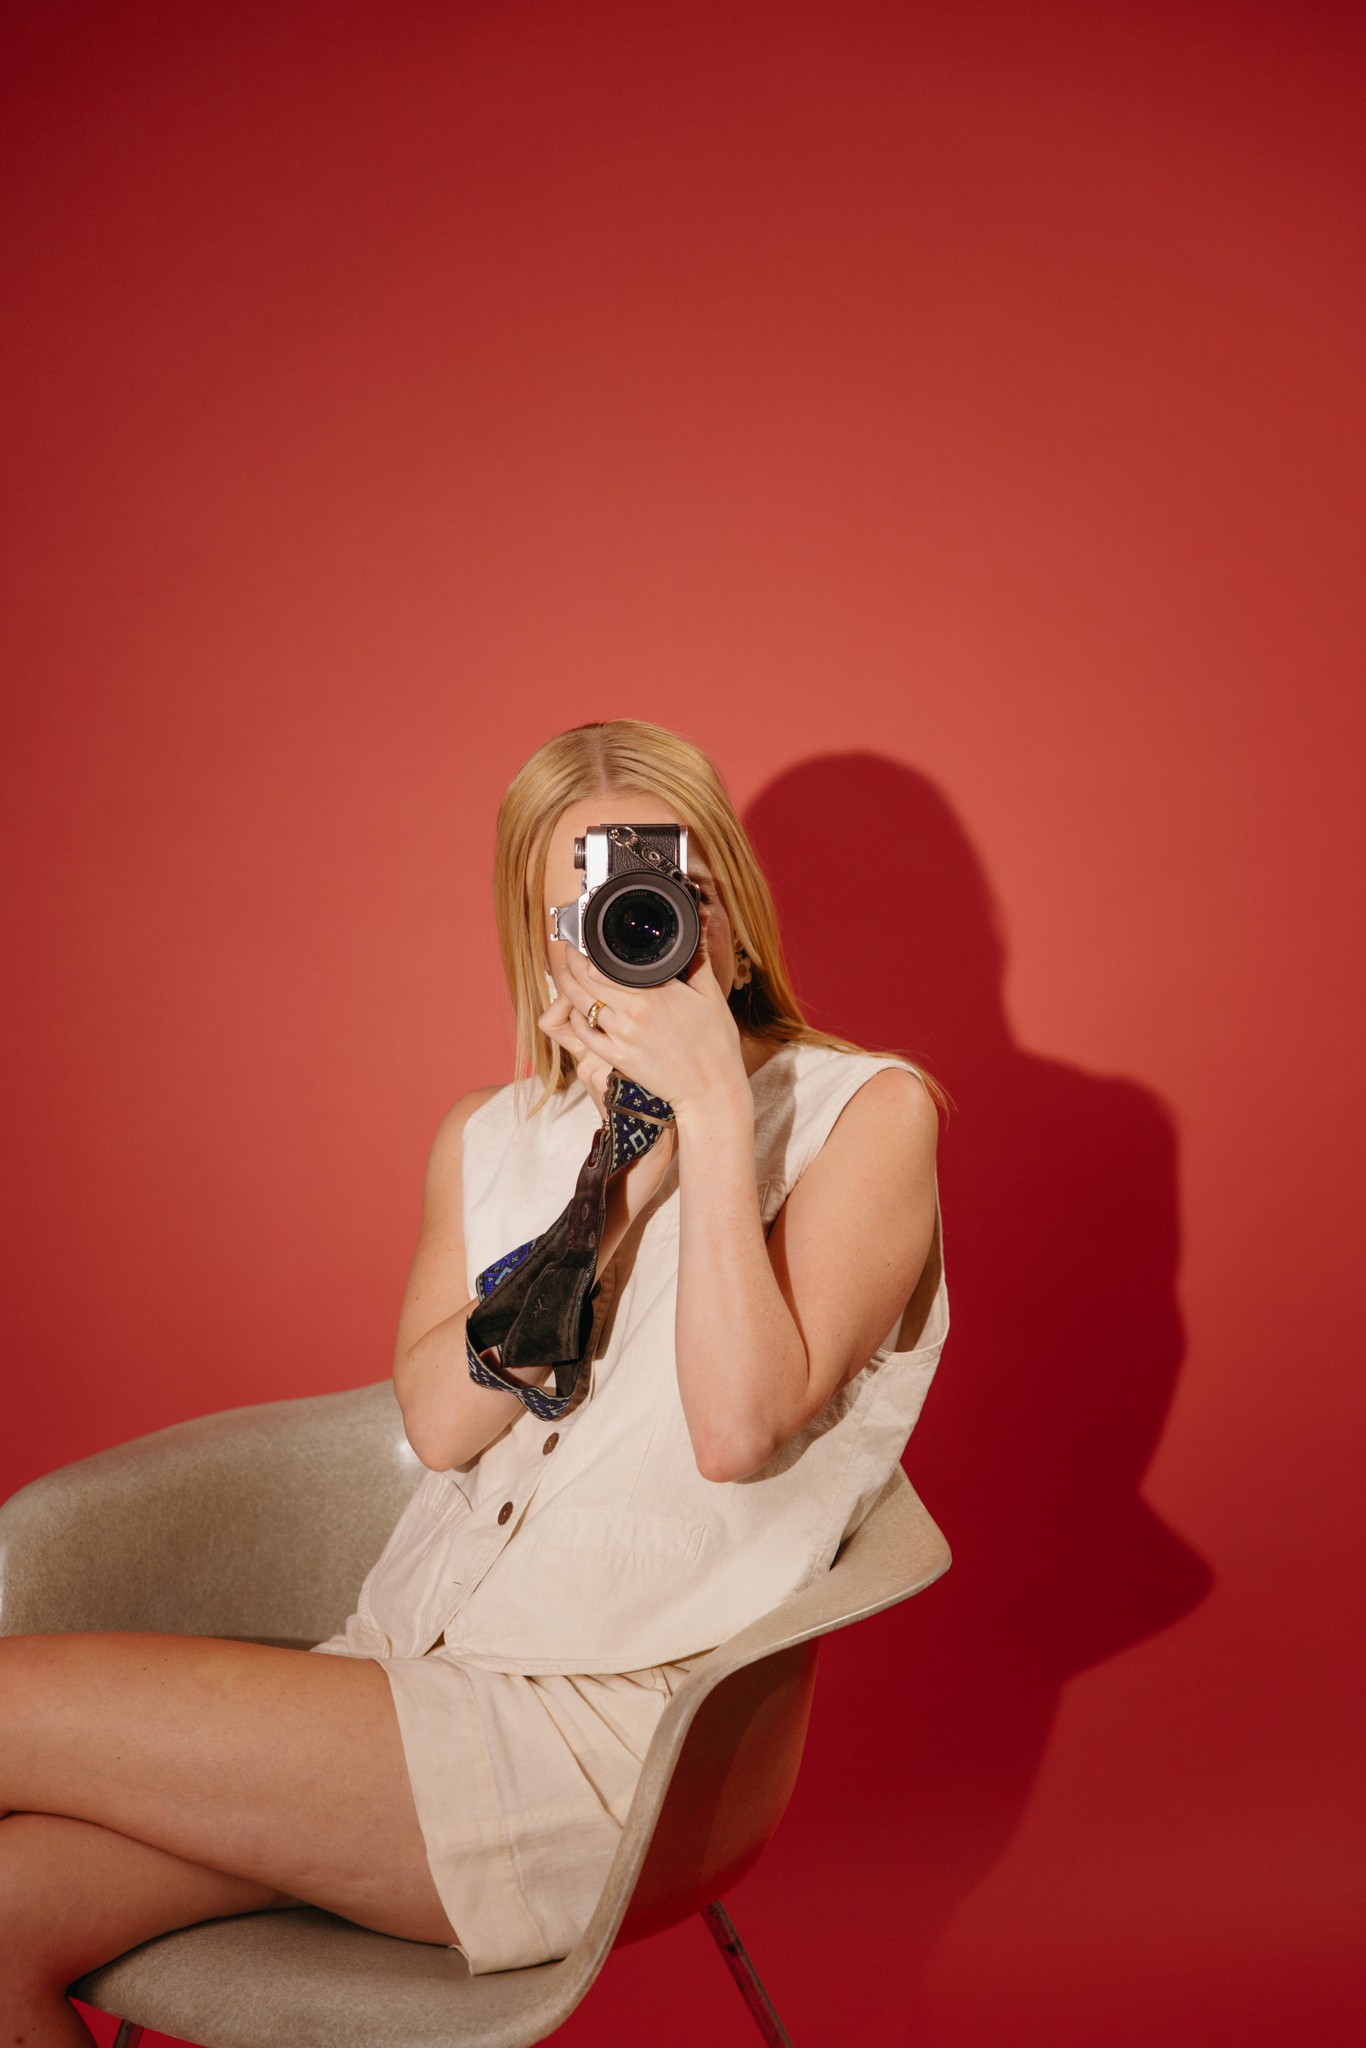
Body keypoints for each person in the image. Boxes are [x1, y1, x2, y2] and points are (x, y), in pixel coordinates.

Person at [0, 717, 949, 2038]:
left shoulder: (866, 1117)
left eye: (674, 884)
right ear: (542, 934)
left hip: (607, 1753)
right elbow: (444, 1427)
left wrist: (715, 1111)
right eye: (597, 899)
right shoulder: (493, 1138)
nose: (642, 921)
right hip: (404, 1682)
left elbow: (736, 1426)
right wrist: (615, 1182)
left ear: (728, 907)